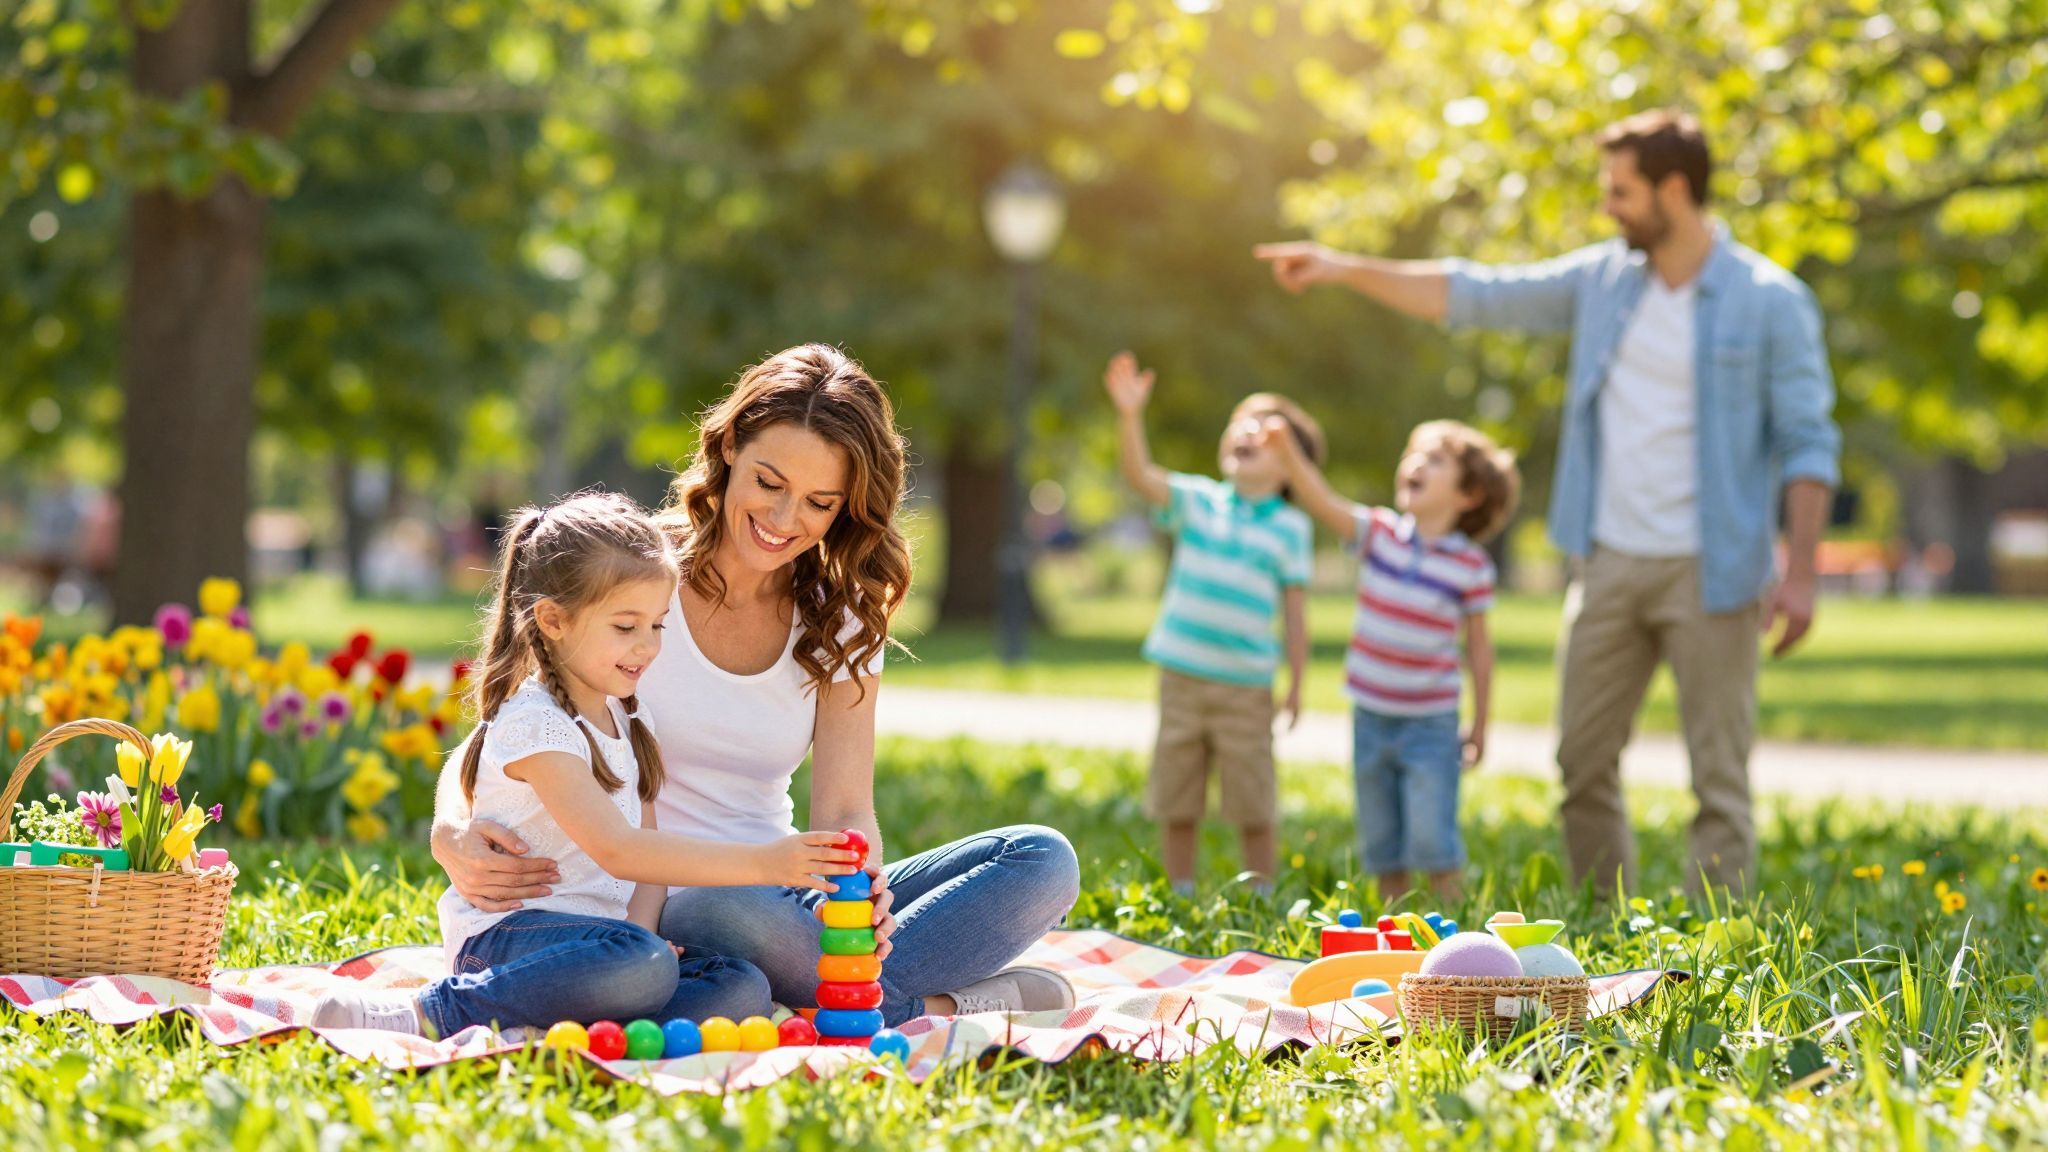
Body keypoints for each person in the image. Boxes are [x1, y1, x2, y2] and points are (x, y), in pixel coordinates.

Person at [1255, 108, 1841, 894]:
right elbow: (1475, 293)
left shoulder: (1771, 301)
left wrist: (1800, 573)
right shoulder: (1602, 282)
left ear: (1675, 189)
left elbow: (1808, 443)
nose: (1609, 207)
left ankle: (1717, 944)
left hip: (1716, 568)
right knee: (1581, 763)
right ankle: (1611, 920)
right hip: (1606, 560)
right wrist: (1339, 267)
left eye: (1623, 192)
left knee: (1718, 774)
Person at [433, 346, 1081, 1027]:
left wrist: (858, 898)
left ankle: (826, 992)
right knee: (728, 910)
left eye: (819, 503)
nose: (783, 519)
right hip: (662, 898)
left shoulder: (843, 613)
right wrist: (449, 833)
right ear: (732, 448)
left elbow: (844, 806)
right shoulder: (636, 575)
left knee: (1041, 859)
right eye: (769, 482)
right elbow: (514, 725)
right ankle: (927, 1003)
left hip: (782, 888)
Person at [313, 492, 858, 1036]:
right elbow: (620, 850)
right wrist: (768, 865)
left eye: (657, 626)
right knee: (641, 966)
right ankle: (436, 1011)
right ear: (553, 620)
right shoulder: (538, 725)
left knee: (741, 986)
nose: (646, 647)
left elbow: (648, 868)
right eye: (626, 627)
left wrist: (647, 937)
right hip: (511, 940)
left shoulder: (629, 716)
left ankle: (562, 1022)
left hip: (602, 945)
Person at [1263, 417, 1518, 901]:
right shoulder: (1379, 534)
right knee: (1382, 839)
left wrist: (1481, 724)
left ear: (1468, 496)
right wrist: (1290, 455)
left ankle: (1453, 921)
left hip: (1431, 725)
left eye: (1434, 459)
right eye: (1413, 454)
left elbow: (1480, 651)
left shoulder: (1470, 567)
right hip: (1371, 716)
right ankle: (1393, 927)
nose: (1414, 463)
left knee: (1431, 837)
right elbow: (1323, 501)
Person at [1102, 350, 1320, 893]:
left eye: (1266, 434)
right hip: (1182, 675)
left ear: (1293, 466)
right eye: (1238, 425)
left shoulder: (1291, 527)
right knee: (1178, 790)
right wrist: (1130, 414)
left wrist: (1296, 681)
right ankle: (1180, 888)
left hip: (1246, 686)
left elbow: (1295, 613)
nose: (1245, 433)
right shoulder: (1199, 501)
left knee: (1252, 796)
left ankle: (1261, 891)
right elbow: (1139, 474)